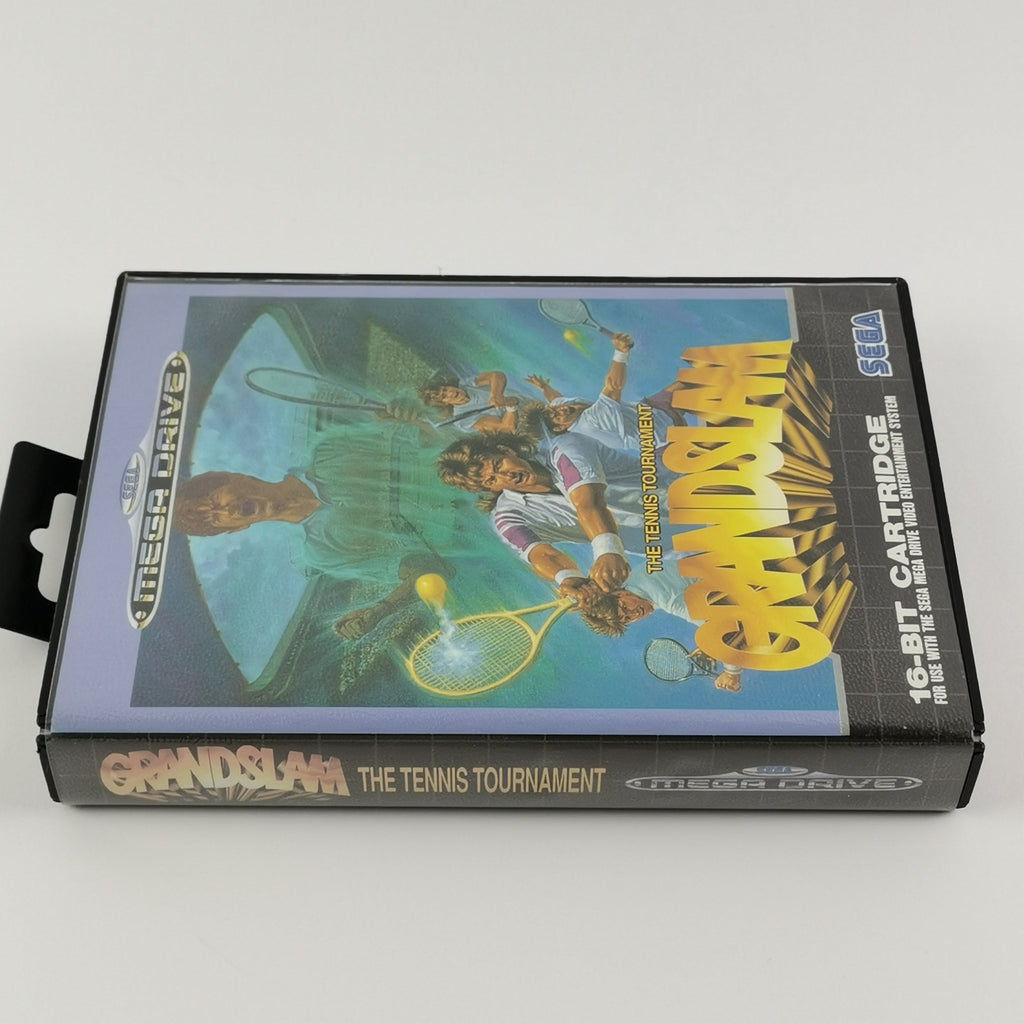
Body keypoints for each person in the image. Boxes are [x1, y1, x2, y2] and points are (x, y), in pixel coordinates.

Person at [436, 429, 653, 592]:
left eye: (498, 465)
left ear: (506, 451)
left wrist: (608, 551)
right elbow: (540, 554)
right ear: (489, 489)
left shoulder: (565, 448)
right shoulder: (506, 518)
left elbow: (589, 503)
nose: (506, 476)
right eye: (492, 480)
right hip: (667, 548)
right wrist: (570, 579)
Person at [554, 572, 743, 692]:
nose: (634, 614)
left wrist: (731, 673)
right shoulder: (637, 578)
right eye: (627, 619)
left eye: (624, 608)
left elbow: (728, 631)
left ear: (618, 594)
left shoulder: (668, 599)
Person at [521, 331, 686, 450]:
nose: (561, 409)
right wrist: (621, 352)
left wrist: (544, 387)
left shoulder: (564, 409)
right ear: (559, 428)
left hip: (651, 409)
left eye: (553, 409)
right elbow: (613, 387)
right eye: (556, 415)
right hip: (667, 435)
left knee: (691, 378)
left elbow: (555, 399)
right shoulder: (591, 422)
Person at [418, 371, 523, 434]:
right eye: (444, 396)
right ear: (444, 403)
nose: (450, 392)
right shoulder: (462, 420)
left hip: (529, 401)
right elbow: (507, 427)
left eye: (445, 389)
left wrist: (496, 395)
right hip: (526, 424)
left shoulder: (466, 384)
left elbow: (497, 375)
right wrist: (511, 408)